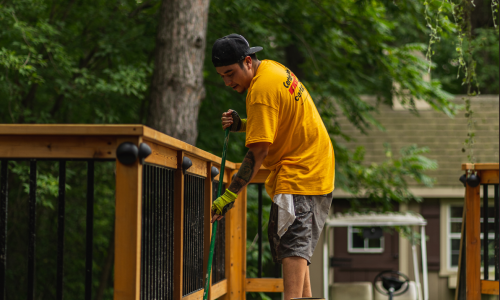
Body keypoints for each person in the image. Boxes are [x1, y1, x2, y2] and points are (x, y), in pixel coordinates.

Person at [210, 33, 335, 300]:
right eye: (222, 76)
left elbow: (259, 151)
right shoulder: (272, 69)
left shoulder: (260, 91)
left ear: (247, 61)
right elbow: (276, 119)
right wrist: (242, 124)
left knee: (292, 246)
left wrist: (229, 196)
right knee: (296, 246)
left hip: (301, 170)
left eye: (230, 73)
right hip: (316, 166)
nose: (227, 82)